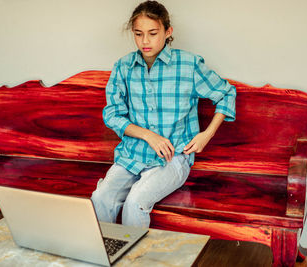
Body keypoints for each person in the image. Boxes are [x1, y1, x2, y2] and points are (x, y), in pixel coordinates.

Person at [91, 0, 236, 228]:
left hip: (174, 157)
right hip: (132, 154)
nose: (145, 41)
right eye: (139, 34)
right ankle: (103, 257)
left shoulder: (189, 65)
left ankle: (133, 261)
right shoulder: (123, 67)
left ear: (168, 32)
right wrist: (149, 136)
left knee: (136, 201)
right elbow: (112, 114)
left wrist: (206, 134)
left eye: (152, 33)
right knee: (100, 198)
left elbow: (226, 93)